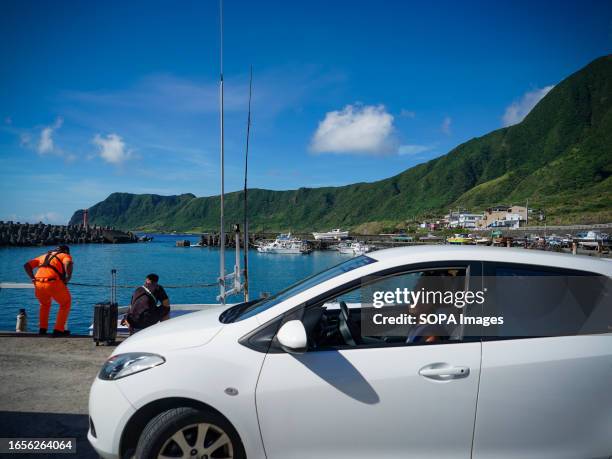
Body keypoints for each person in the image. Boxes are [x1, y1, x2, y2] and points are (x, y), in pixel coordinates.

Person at [24, 245, 73, 336]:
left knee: (44, 305)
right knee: (65, 303)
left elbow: (27, 265)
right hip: (53, 283)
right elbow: (68, 263)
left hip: (38, 284)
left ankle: (42, 329)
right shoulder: (64, 255)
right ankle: (58, 330)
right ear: (65, 251)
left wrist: (32, 278)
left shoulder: (43, 256)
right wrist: (67, 278)